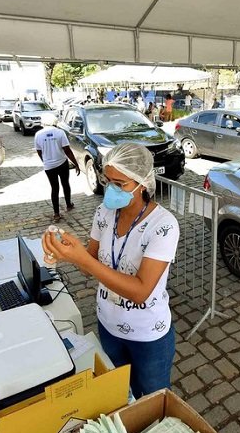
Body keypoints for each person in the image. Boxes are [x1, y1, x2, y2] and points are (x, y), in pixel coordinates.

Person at [43, 143, 180, 398]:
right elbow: (89, 265)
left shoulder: (164, 226)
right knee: (118, 394)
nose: (112, 190)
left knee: (152, 398)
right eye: (108, 181)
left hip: (147, 334)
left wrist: (83, 260)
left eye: (121, 184)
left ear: (142, 183)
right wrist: (67, 251)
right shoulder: (103, 212)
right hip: (108, 325)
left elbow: (140, 292)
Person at [35, 114, 80, 222]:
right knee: (65, 183)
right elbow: (67, 150)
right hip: (62, 163)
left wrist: (45, 160)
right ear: (55, 122)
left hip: (49, 166)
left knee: (54, 188)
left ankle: (56, 213)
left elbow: (39, 151)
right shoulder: (60, 133)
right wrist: (76, 164)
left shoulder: (38, 135)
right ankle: (69, 204)